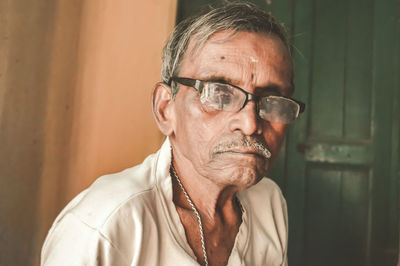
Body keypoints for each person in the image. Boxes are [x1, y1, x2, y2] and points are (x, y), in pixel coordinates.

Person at [41, 1, 305, 265]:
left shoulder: (267, 202)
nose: (249, 124)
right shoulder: (106, 223)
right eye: (219, 93)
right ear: (166, 109)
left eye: (272, 100)